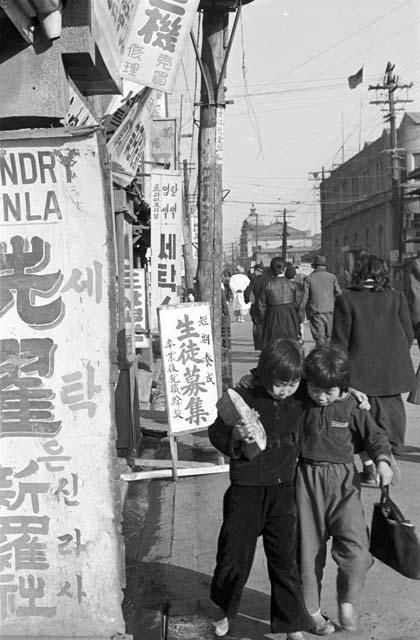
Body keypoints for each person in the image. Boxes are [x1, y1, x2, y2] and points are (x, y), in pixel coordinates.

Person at [208, 339, 312, 639]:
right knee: (233, 555)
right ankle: (225, 611)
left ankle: (292, 624)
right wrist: (235, 434)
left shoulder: (301, 393)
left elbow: (327, 382)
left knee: (284, 559)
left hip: (283, 489)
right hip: (246, 490)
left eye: (292, 384)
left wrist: (351, 389)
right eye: (280, 384)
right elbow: (215, 432)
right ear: (265, 374)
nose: (285, 391)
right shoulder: (242, 394)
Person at [292, 346, 394, 639]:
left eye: (329, 391)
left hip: (344, 484)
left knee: (358, 552)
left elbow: (374, 437)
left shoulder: (350, 406)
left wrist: (383, 461)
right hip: (305, 481)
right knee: (307, 555)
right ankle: (309, 613)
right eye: (314, 388)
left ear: (343, 387)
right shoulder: (299, 400)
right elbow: (277, 380)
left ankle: (347, 599)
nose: (321, 397)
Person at [331, 253, 416, 483]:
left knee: (359, 420)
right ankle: (388, 459)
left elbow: (339, 342)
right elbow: (408, 333)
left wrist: (337, 373)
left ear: (357, 274)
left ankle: (369, 466)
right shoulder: (396, 296)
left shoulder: (346, 299)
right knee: (391, 419)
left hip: (359, 374)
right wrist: (394, 355)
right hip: (391, 373)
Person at [257, 256, 304, 348]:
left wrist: (262, 320)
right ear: (285, 269)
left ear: (271, 269)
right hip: (290, 317)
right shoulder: (293, 285)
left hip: (272, 317)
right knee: (291, 346)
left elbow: (261, 305)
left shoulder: (267, 285)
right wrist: (300, 320)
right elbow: (299, 305)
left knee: (273, 346)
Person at [303, 255, 342, 346]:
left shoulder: (309, 279)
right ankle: (327, 354)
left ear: (314, 266)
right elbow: (339, 293)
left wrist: (301, 311)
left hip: (315, 312)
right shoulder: (332, 277)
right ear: (325, 266)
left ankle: (322, 354)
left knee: (319, 337)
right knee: (328, 336)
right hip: (330, 311)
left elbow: (305, 297)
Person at [244, 263, 268, 350]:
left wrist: (247, 300)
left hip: (257, 307)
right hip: (268, 307)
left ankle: (260, 346)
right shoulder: (269, 280)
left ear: (258, 271)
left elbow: (247, 292)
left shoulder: (255, 280)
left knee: (257, 326)